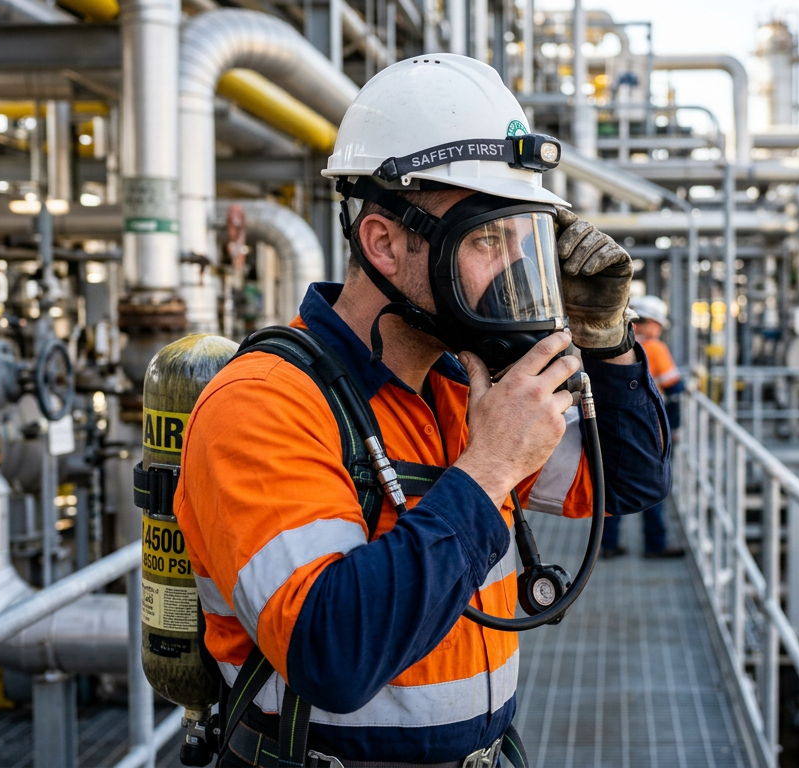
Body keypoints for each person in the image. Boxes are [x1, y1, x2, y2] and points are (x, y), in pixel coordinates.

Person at [174, 54, 670, 767]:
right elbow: (333, 652)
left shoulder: (459, 385)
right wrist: (490, 465)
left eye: (520, 240)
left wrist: (612, 346)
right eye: (486, 239)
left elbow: (626, 482)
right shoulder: (263, 402)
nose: (511, 270)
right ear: (384, 242)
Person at [600, 295, 685, 559]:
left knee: (613, 485)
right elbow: (675, 388)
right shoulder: (655, 348)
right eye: (657, 323)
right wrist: (675, 427)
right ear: (644, 323)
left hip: (613, 425)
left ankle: (609, 544)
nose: (659, 330)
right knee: (652, 486)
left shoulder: (614, 347)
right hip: (647, 428)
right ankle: (655, 544)